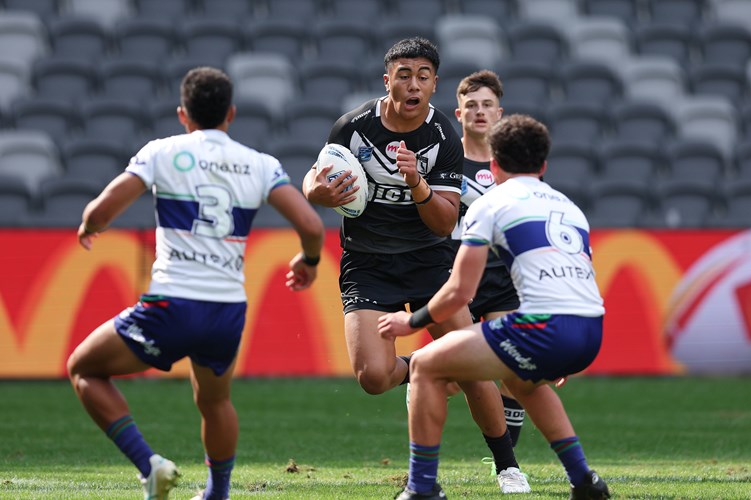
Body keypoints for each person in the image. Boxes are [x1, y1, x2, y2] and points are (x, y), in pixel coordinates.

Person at [66, 66, 325, 500]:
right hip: (226, 309)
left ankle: (149, 465)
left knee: (83, 368)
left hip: (172, 303)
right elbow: (312, 226)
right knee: (214, 401)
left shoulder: (161, 152)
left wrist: (90, 225)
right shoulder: (260, 164)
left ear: (183, 114)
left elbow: (103, 208)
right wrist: (310, 261)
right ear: (231, 114)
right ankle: (217, 493)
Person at [302, 37, 530, 494]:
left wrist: (416, 183)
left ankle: (507, 465)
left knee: (472, 368)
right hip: (367, 263)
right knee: (372, 378)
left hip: (428, 263)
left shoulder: (443, 136)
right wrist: (316, 193)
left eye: (422, 76)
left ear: (434, 85)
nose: (413, 84)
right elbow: (317, 175)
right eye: (403, 74)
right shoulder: (354, 126)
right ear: (387, 80)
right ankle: (425, 364)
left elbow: (445, 222)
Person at [379, 114, 611, 500]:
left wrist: (412, 320)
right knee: (523, 382)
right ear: (544, 166)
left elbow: (458, 290)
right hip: (589, 329)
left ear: (495, 165)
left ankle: (421, 489)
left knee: (424, 364)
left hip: (545, 328)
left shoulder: (492, 202)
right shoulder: (569, 206)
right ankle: (584, 480)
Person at [453, 70, 606, 486]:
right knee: (457, 376)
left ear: (499, 113)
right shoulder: (446, 160)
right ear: (459, 113)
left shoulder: (520, 170)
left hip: (504, 279)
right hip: (460, 276)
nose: (480, 112)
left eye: (487, 105)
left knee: (515, 374)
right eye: (472, 105)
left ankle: (507, 466)